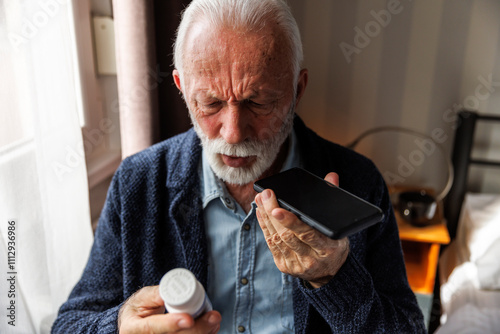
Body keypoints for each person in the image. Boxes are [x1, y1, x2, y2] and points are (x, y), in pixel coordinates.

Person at [52, 0, 425, 333]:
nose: (232, 134)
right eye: (211, 104)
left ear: (297, 91)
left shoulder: (359, 183)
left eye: (258, 103)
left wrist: (336, 279)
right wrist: (119, 326)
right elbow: (69, 325)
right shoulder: (138, 182)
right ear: (182, 88)